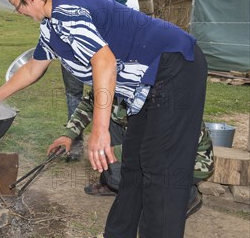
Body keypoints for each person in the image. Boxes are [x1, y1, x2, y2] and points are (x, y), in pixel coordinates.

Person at [0, 0, 208, 238]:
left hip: (174, 66)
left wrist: (99, 130)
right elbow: (33, 67)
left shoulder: (67, 12)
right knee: (135, 163)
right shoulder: (51, 24)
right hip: (148, 81)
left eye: (16, 6)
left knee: (160, 164)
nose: (18, 13)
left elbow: (104, 61)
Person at [47, 90, 214, 218]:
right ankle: (116, 182)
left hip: (187, 160)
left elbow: (155, 144)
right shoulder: (110, 78)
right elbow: (89, 104)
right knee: (106, 118)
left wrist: (113, 152)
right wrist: (68, 135)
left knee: (154, 198)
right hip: (145, 145)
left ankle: (187, 195)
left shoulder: (156, 91)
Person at [57, 0, 128, 161]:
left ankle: (108, 140)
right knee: (73, 92)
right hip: (72, 47)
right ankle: (74, 142)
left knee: (106, 92)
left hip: (104, 48)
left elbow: (120, 8)